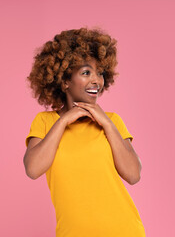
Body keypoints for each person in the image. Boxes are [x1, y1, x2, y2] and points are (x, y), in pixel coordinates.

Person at [23, 27, 146, 236]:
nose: (96, 80)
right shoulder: (45, 122)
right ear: (65, 81)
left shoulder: (112, 121)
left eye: (100, 73)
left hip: (124, 230)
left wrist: (106, 123)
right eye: (86, 72)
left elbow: (134, 175)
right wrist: (64, 122)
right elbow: (33, 169)